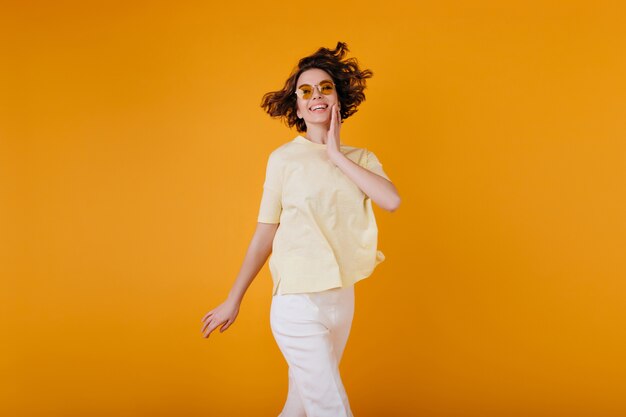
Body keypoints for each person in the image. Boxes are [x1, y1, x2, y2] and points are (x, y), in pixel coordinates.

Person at [201, 41, 401, 417]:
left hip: (341, 300)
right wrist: (234, 298)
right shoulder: (283, 160)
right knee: (329, 407)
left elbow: (391, 201)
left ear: (338, 98)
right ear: (297, 106)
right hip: (296, 302)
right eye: (305, 91)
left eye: (325, 87)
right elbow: (265, 234)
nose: (316, 96)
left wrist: (336, 155)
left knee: (300, 407)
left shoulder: (361, 159)